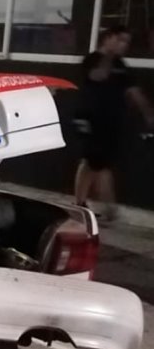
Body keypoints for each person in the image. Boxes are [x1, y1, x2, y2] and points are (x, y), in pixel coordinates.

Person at [74, 25, 154, 221]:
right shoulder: (92, 59)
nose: (124, 45)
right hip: (92, 119)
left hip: (113, 121)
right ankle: (108, 208)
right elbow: (97, 76)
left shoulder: (122, 65)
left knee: (92, 163)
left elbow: (133, 90)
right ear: (108, 38)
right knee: (99, 164)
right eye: (120, 40)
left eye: (126, 41)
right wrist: (109, 55)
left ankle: (81, 203)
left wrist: (148, 113)